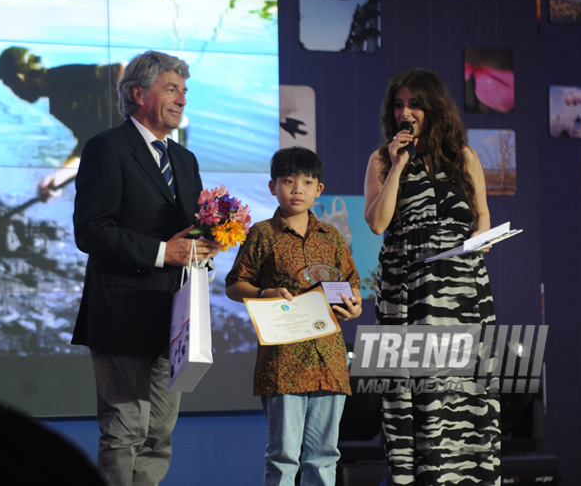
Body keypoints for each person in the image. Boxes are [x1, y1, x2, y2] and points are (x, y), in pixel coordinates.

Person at [71, 50, 220, 486]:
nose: (181, 100)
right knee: (125, 431)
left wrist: (203, 248)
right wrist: (162, 252)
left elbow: (185, 235)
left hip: (172, 316)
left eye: (184, 91)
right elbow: (91, 231)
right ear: (138, 93)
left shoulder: (185, 160)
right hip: (120, 312)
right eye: (171, 89)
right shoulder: (106, 148)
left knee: (158, 434)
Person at [363, 68, 500, 485]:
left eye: (415, 104)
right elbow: (377, 223)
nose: (406, 112)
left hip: (462, 289)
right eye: (399, 105)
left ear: (434, 107)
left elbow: (481, 219)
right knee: (416, 396)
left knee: (463, 392)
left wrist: (482, 240)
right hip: (409, 289)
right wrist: (399, 165)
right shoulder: (383, 158)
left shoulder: (464, 156)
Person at [225, 146, 362, 486]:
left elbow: (352, 286)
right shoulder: (262, 233)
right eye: (288, 181)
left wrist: (354, 305)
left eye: (307, 181)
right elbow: (234, 284)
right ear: (273, 187)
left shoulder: (332, 237)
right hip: (283, 360)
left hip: (329, 360)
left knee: (324, 457)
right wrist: (262, 294)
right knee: (284, 457)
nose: (297, 189)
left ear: (320, 190)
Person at [0, 46, 125, 199]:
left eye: (9, 85)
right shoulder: (58, 106)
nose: (15, 94)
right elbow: (87, 148)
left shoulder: (60, 77)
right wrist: (57, 178)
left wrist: (129, 121)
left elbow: (120, 69)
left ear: (20, 78)